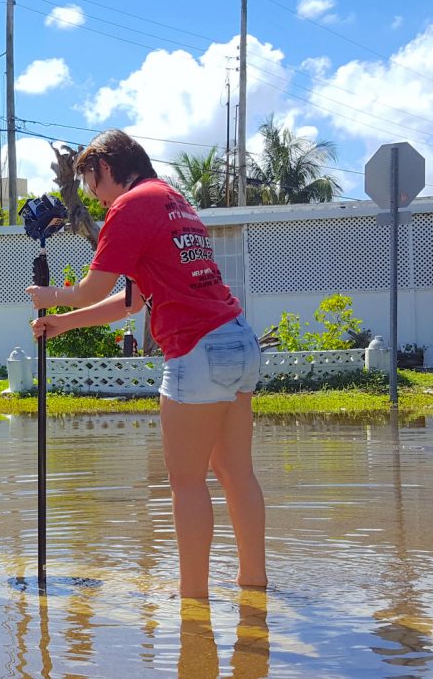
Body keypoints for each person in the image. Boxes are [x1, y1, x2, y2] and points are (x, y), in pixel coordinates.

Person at [26, 129, 266, 599]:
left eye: (92, 184)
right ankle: (254, 584)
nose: (94, 198)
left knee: (187, 484)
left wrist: (49, 297)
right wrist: (63, 323)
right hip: (238, 340)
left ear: (107, 169)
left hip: (195, 348)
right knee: (238, 473)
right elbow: (131, 302)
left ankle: (192, 601)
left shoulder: (131, 205)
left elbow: (94, 288)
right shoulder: (173, 200)